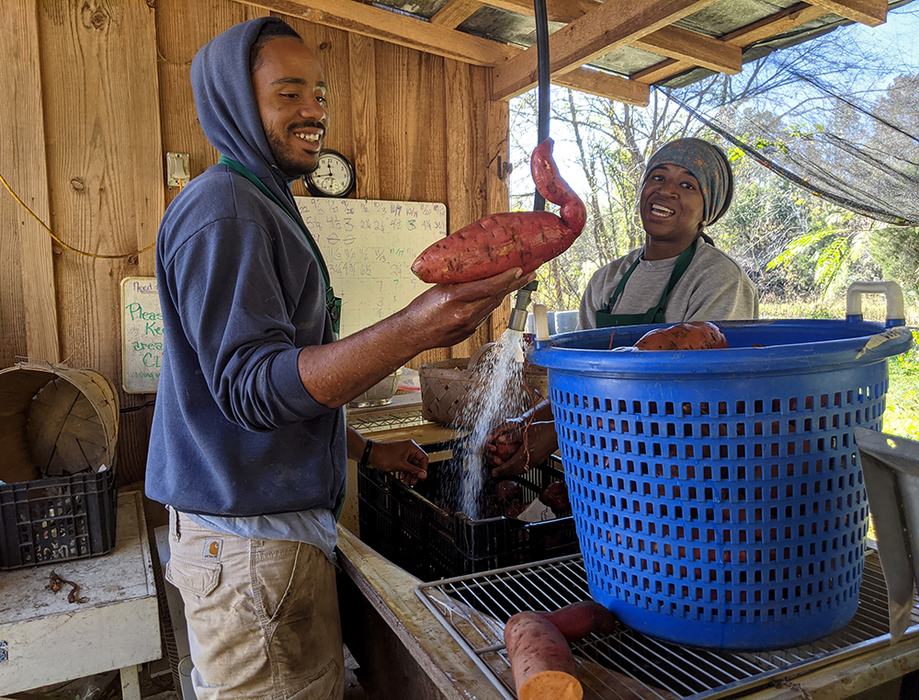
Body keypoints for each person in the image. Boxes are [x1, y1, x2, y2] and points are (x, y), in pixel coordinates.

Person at [145, 17, 533, 699]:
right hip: (251, 545)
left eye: (319, 95)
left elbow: (265, 380)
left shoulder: (263, 202)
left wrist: (361, 450)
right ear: (235, 101)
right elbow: (250, 389)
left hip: (263, 531)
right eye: (287, 94)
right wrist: (413, 326)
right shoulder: (228, 211)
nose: (313, 112)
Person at [486, 138, 758, 477]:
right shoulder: (607, 281)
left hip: (688, 468)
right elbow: (579, 381)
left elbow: (698, 394)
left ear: (708, 211)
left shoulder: (719, 279)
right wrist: (529, 422)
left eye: (687, 184)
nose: (667, 191)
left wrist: (559, 431)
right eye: (657, 178)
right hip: (610, 461)